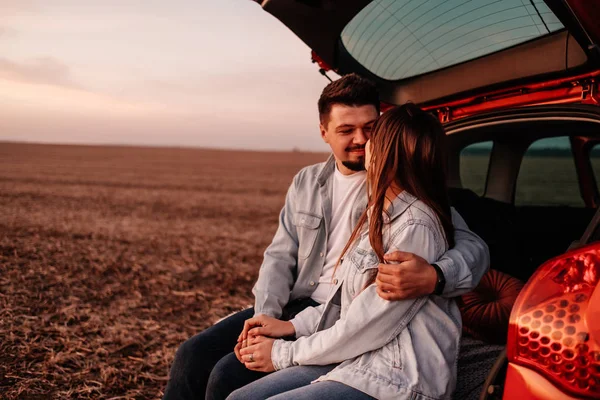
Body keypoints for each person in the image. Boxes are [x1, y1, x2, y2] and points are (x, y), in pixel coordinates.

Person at [162, 74, 489, 400]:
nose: (360, 140)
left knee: (226, 375)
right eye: (346, 130)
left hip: (345, 321)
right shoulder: (307, 181)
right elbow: (279, 255)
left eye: (370, 129)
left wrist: (435, 276)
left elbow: (471, 246)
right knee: (191, 356)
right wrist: (266, 314)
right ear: (324, 132)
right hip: (301, 309)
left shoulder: (399, 192)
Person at [231, 102, 460, 399]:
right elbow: (347, 303)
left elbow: (364, 326)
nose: (364, 144)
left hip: (397, 379)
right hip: (360, 362)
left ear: (388, 152)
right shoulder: (379, 214)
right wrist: (290, 326)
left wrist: (283, 354)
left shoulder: (415, 226)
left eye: (373, 136)